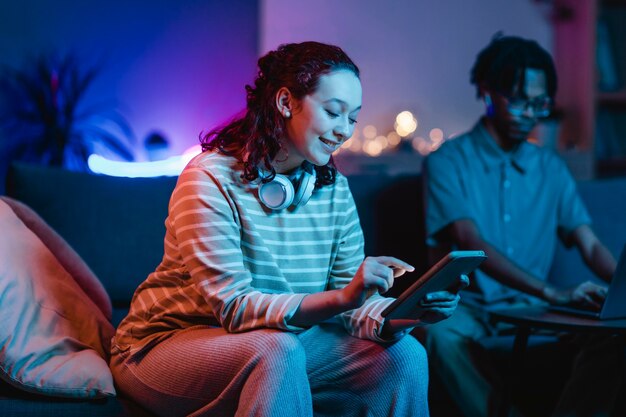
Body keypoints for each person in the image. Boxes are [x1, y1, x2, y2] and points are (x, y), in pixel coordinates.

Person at [110, 41, 466, 417]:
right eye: (333, 112)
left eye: (352, 118)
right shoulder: (207, 179)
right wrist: (344, 298)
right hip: (164, 347)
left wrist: (406, 313)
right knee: (276, 351)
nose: (343, 130)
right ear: (285, 103)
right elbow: (235, 308)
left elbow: (351, 305)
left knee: (404, 355)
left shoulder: (334, 190)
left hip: (279, 345)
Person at [422, 35, 621, 417]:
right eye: (517, 100)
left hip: (536, 310)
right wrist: (552, 292)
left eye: (539, 103)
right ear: (486, 91)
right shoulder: (447, 161)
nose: (528, 113)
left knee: (615, 338)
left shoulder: (551, 168)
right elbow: (470, 241)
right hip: (469, 308)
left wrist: (621, 290)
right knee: (437, 335)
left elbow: (590, 245)